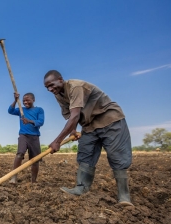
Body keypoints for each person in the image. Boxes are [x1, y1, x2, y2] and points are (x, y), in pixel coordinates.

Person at [43, 70, 133, 206]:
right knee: (85, 154)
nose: (50, 89)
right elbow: (69, 115)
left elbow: (75, 116)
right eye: (47, 87)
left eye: (51, 85)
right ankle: (81, 188)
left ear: (60, 79)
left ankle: (124, 196)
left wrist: (57, 141)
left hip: (109, 119)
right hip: (89, 125)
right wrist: (73, 131)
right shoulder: (58, 95)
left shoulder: (75, 87)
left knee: (117, 156)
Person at [8, 92, 45, 183]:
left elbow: (40, 122)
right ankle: (14, 177)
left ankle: (33, 181)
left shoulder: (39, 110)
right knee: (20, 154)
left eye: (27, 100)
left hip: (35, 137)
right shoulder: (21, 110)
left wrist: (29, 121)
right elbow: (10, 111)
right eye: (24, 100)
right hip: (23, 135)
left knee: (35, 160)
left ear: (33, 100)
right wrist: (15, 100)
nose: (25, 102)